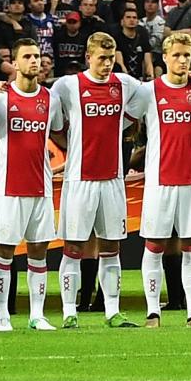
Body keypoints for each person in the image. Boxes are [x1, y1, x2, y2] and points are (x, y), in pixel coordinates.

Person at [50, 31, 140, 325]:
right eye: (101, 58)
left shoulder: (125, 84)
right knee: (74, 247)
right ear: (88, 57)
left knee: (111, 247)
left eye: (111, 58)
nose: (107, 64)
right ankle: (68, 312)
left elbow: (148, 101)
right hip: (79, 180)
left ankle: (112, 311)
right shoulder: (67, 86)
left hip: (112, 180)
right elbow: (52, 120)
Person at [131, 31, 191, 326]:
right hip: (158, 183)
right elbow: (126, 117)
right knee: (154, 245)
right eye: (176, 55)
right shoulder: (148, 91)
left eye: (186, 56)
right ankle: (153, 312)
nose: (181, 61)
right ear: (164, 58)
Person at [0, 40, 58, 332]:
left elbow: (60, 135)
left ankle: (37, 315)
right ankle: (2, 317)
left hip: (41, 186)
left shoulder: (51, 98)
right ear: (14, 62)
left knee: (39, 251)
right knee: (4, 252)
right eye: (27, 56)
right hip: (7, 187)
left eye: (38, 56)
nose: (34, 61)